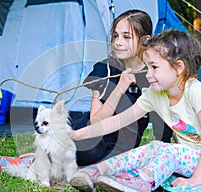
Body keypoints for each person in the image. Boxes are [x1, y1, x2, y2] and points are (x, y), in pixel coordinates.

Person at [69, 29, 201, 192]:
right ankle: (96, 171)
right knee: (153, 147)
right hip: (186, 159)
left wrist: (195, 180)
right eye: (147, 67)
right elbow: (118, 121)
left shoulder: (197, 91)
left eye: (154, 67)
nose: (148, 74)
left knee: (171, 151)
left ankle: (143, 182)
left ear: (178, 67)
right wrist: (77, 134)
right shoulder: (155, 94)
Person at [74, 9, 173, 166]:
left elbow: (162, 118)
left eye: (127, 37)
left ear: (145, 40)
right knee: (88, 151)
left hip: (125, 144)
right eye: (115, 36)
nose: (118, 42)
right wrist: (120, 87)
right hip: (94, 135)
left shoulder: (154, 73)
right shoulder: (105, 69)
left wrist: (163, 148)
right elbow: (96, 120)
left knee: (117, 160)